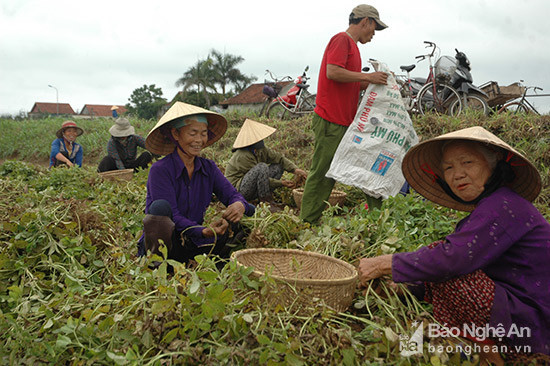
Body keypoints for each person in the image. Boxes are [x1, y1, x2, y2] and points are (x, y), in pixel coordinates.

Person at [358, 126, 550, 365]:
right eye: (448, 167)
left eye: (467, 162)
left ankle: (493, 353)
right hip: (518, 314)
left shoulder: (504, 205)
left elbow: (452, 260)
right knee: (440, 263)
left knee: (448, 266)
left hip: (534, 325)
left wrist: (383, 264)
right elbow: (447, 263)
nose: (457, 174)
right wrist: (400, 289)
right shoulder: (490, 208)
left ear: (493, 166)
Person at [299, 4, 389, 224]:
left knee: (365, 166)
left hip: (345, 122)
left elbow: (346, 82)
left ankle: (379, 217)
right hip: (330, 120)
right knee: (322, 174)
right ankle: (307, 222)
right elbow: (333, 72)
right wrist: (368, 78)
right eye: (374, 28)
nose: (373, 34)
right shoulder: (341, 40)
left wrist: (371, 84)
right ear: (365, 21)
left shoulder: (354, 48)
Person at [138, 102, 255, 265]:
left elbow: (232, 195)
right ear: (176, 134)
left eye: (203, 133)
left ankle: (210, 260)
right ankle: (158, 266)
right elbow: (174, 215)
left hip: (192, 242)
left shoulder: (208, 168)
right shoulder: (160, 170)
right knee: (160, 208)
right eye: (193, 133)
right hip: (167, 244)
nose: (199, 140)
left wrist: (238, 204)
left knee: (244, 215)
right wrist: (203, 231)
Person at [224, 119, 308, 206]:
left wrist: (295, 169)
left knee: (278, 166)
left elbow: (279, 158)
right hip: (238, 191)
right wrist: (281, 183)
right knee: (261, 167)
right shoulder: (242, 156)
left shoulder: (260, 150)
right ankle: (266, 201)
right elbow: (260, 178)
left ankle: (264, 196)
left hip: (252, 186)